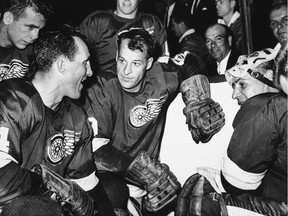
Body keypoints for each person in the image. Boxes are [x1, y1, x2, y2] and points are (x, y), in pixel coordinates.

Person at [81, 28, 225, 215]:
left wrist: (198, 100)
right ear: (116, 55)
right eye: (122, 60)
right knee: (113, 192)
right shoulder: (102, 86)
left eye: (136, 63)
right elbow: (96, 151)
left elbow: (191, 60)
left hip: (154, 179)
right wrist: (145, 174)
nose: (126, 71)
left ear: (149, 63)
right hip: (115, 176)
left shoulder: (161, 78)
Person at [0, 25, 116, 216]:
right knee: (37, 210)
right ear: (62, 65)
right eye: (85, 63)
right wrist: (49, 187)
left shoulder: (76, 117)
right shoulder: (13, 99)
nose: (90, 72)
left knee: (114, 191)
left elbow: (88, 187)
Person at [175, 48, 287, 216]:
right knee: (203, 177)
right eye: (234, 86)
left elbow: (236, 184)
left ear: (270, 78)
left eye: (242, 84)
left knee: (203, 200)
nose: (234, 94)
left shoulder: (265, 106)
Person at [79, 0, 168, 74]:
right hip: (102, 90)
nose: (127, 0)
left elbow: (163, 62)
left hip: (139, 91)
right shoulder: (96, 21)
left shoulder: (152, 23)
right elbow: (77, 58)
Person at [0, 0, 53, 81]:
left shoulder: (31, 52)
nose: (35, 36)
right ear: (8, 18)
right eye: (31, 27)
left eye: (40, 30)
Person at [170, 9, 217, 73]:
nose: (172, 29)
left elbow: (187, 69)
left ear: (181, 24)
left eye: (173, 25)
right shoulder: (198, 37)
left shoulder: (188, 44)